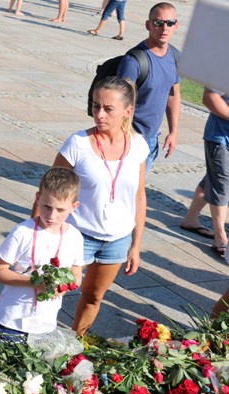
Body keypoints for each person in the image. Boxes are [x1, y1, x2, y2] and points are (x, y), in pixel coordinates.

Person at [50, 76, 148, 336]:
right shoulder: (78, 144)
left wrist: (135, 245)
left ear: (127, 111)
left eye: (108, 109)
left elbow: (139, 196)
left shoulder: (138, 145)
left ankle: (75, 343)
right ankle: (36, 340)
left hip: (117, 240)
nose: (99, 114)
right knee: (52, 292)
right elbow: (50, 190)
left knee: (93, 297)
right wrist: (37, 234)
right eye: (95, 106)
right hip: (77, 235)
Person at [0, 168, 84, 342]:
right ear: (38, 198)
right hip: (12, 321)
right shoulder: (22, 232)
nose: (52, 216)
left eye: (60, 210)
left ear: (74, 207)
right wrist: (35, 282)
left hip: (46, 325)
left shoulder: (75, 237)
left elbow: (77, 273)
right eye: (46, 207)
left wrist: (65, 287)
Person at [117, 2, 180, 172]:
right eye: (158, 22)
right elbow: (117, 103)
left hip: (152, 137)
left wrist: (173, 132)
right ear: (148, 25)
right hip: (130, 137)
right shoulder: (134, 61)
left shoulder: (175, 56)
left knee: (137, 191)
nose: (164, 28)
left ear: (176, 26)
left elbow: (173, 95)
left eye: (170, 23)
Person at [180, 88, 229, 257]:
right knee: (221, 184)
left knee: (214, 178)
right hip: (220, 137)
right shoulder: (224, 67)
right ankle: (220, 237)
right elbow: (209, 97)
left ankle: (190, 219)